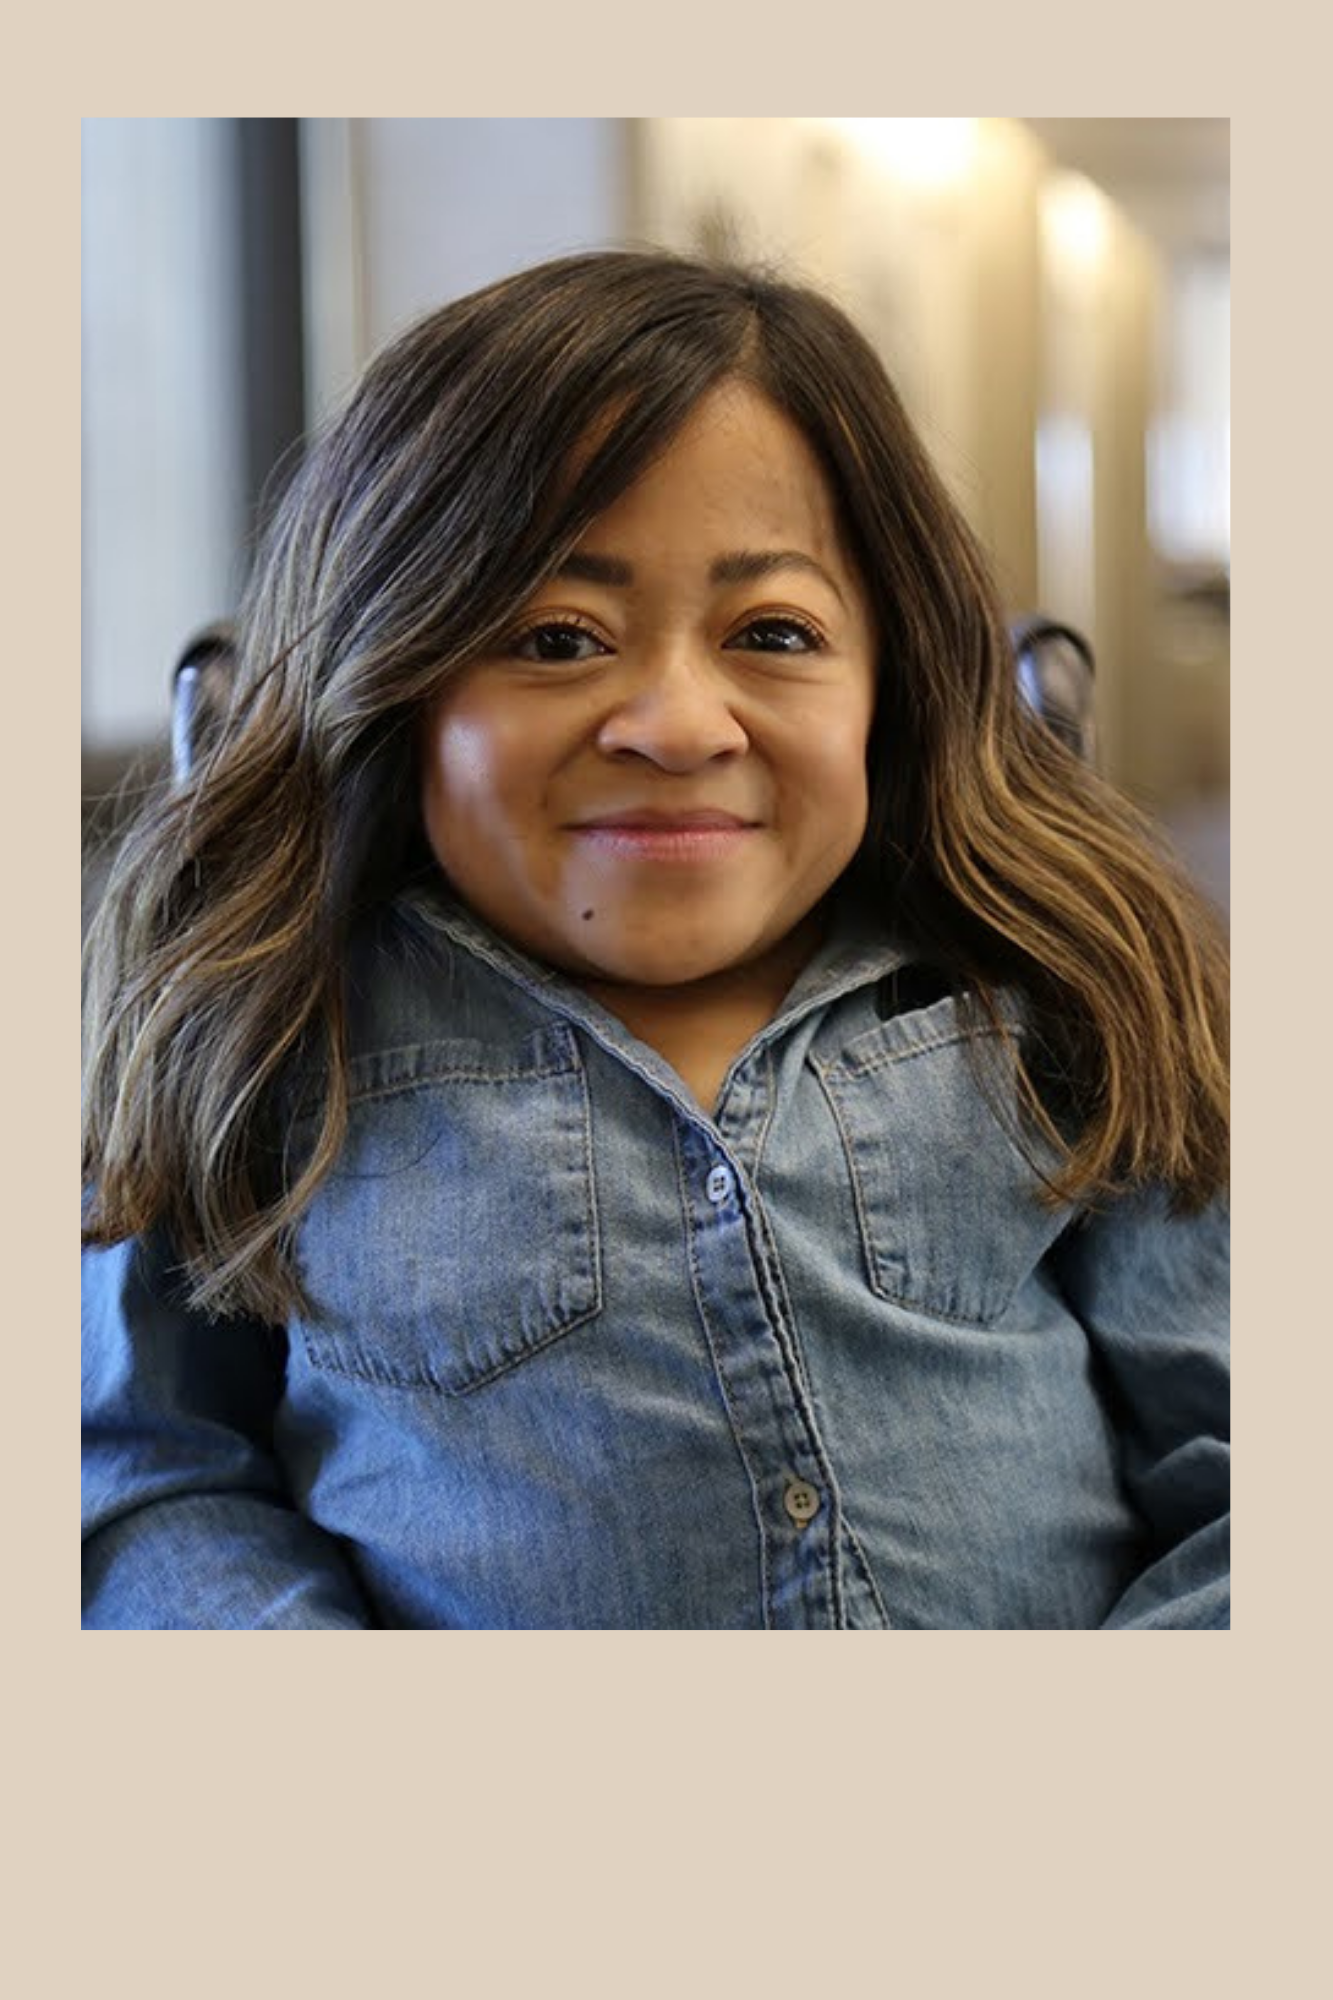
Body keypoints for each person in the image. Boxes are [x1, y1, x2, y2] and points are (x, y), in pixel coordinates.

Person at [81, 249, 1229, 1630]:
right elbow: (148, 1475)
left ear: (893, 681)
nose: (680, 726)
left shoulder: (1050, 988)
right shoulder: (260, 1028)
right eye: (560, 639)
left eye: (775, 631)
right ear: (392, 680)